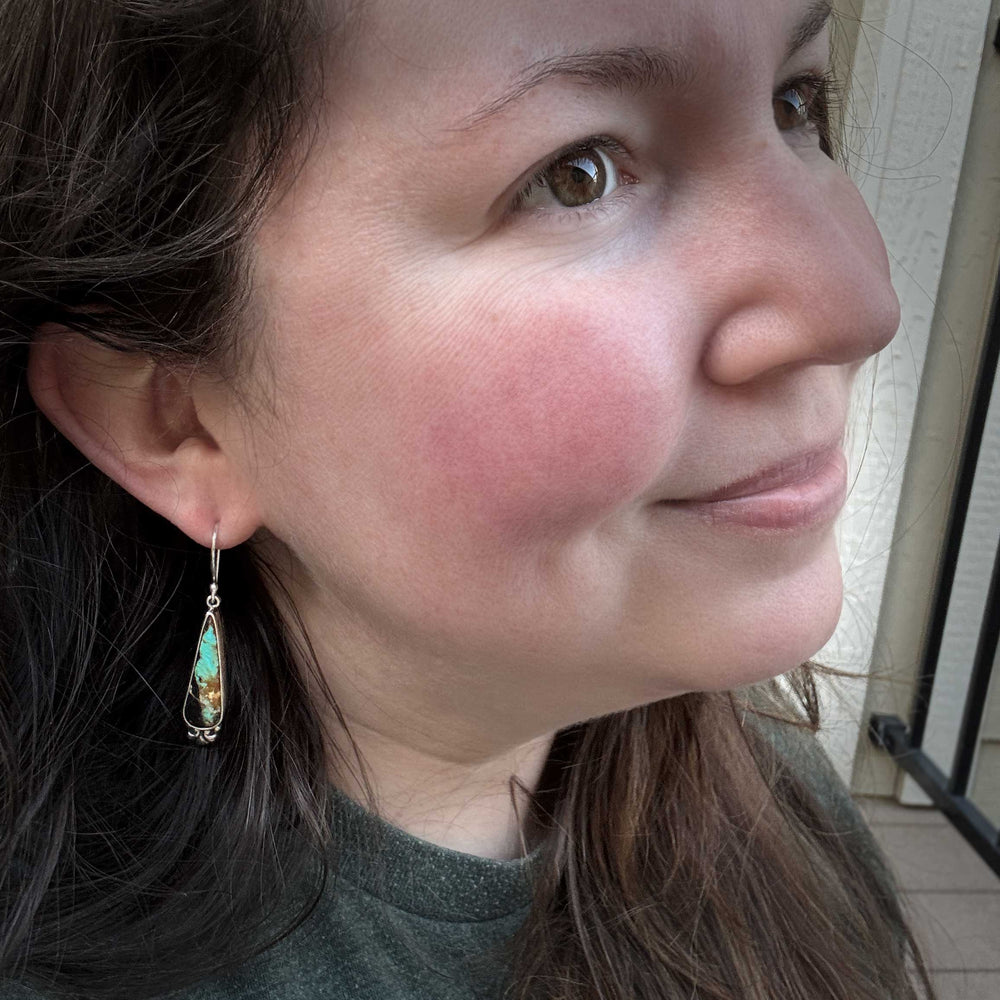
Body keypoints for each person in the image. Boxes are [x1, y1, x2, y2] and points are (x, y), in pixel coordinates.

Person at [0, 0, 938, 997]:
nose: (857, 301)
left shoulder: (780, 825)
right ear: (177, 423)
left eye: (796, 102)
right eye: (574, 174)